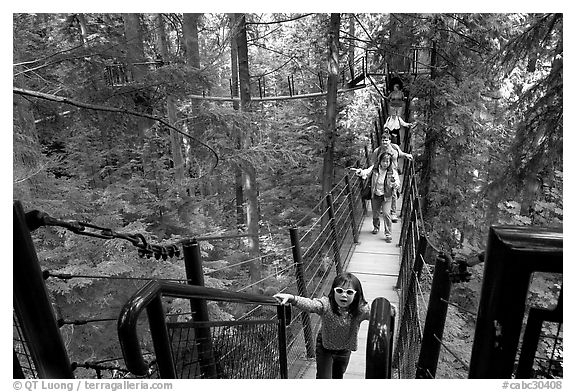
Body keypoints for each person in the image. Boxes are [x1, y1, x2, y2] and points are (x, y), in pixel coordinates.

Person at [274, 272, 370, 379]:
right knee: (324, 377)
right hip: (325, 346)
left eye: (349, 292)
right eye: (339, 291)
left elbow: (375, 313)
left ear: (356, 295)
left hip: (344, 349)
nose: (344, 295)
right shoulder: (326, 305)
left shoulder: (359, 310)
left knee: (338, 376)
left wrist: (387, 308)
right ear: (333, 291)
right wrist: (292, 298)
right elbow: (311, 305)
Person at [354, 131, 413, 242]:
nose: (385, 163)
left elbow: (397, 183)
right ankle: (376, 227)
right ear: (380, 161)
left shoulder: (392, 171)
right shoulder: (375, 167)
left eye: (387, 162)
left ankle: (388, 234)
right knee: (375, 214)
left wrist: (395, 183)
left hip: (387, 196)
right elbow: (366, 172)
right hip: (376, 194)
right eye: (383, 161)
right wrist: (360, 172)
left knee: (386, 214)